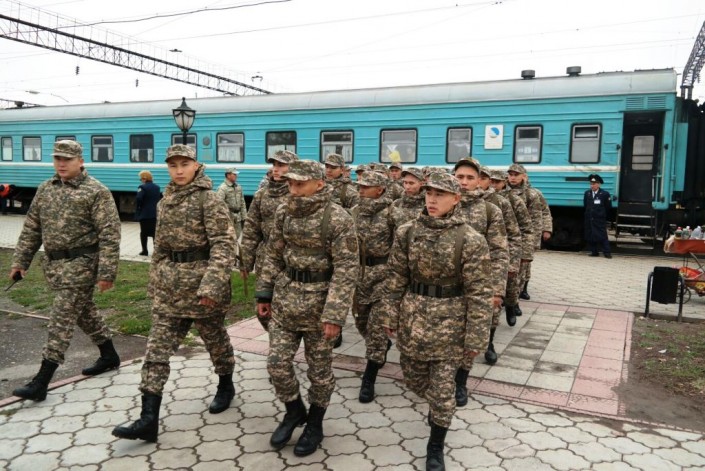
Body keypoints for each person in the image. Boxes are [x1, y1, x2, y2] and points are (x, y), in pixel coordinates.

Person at [113, 144, 237, 443]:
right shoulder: (165, 200)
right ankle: (148, 419)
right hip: (170, 288)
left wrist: (212, 285)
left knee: (215, 341)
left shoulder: (209, 200)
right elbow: (161, 247)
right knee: (156, 350)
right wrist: (155, 281)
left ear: (196, 165)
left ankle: (225, 384)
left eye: (184, 164)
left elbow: (224, 244)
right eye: (173, 165)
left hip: (202, 288)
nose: (179, 170)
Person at [381, 172, 491, 471]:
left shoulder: (470, 239)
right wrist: (390, 313)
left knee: (442, 393)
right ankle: (436, 407)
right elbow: (396, 276)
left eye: (440, 194)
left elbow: (480, 292)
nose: (432, 199)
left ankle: (435, 444)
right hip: (414, 318)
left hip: (451, 323)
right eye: (429, 193)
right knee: (415, 380)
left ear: (456, 199)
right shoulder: (407, 232)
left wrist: (476, 337)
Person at [255, 160, 358, 456]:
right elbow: (273, 254)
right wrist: (264, 293)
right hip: (286, 301)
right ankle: (294, 411)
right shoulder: (284, 212)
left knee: (319, 372)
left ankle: (315, 423)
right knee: (277, 363)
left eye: (300, 184)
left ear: (319, 183)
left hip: (320, 307)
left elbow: (346, 269)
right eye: (290, 183)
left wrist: (334, 315)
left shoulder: (338, 218)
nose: (293, 189)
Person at [10, 140, 122, 402]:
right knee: (84, 312)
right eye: (57, 159)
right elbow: (32, 228)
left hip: (83, 265)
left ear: (80, 161)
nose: (61, 164)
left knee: (61, 318)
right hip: (55, 266)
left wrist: (106, 273)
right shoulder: (46, 188)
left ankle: (41, 381)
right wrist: (20, 262)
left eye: (67, 159)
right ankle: (109, 355)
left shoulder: (96, 191)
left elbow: (110, 235)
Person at [452, 158, 508, 406]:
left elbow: (499, 252)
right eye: (459, 177)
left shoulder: (489, 211)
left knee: (469, 335)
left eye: (470, 178)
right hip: (443, 287)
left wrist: (496, 290)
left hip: (476, 286)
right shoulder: (439, 203)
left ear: (479, 181)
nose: (464, 182)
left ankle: (461, 381)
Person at [240, 150, 298, 330]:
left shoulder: (297, 194)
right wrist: (245, 262)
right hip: (265, 259)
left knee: (290, 308)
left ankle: (285, 340)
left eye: (281, 165)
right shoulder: (261, 195)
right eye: (274, 165)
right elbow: (251, 230)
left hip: (291, 259)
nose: (276, 169)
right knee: (263, 309)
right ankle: (277, 337)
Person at [351, 170, 395, 403]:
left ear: (380, 190)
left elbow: (400, 247)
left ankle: (369, 378)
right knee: (361, 323)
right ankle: (380, 347)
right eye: (360, 185)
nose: (361, 189)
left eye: (366, 186)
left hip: (383, 276)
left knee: (376, 329)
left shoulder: (391, 213)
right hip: (359, 276)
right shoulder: (354, 212)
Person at [478, 165, 521, 365]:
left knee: (493, 306)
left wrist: (513, 262)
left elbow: (513, 234)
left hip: (492, 263)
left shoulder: (499, 203)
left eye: (483, 178)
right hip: (464, 267)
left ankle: (489, 343)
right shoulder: (452, 201)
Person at [490, 170, 534, 327]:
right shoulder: (482, 200)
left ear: (504, 182)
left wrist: (523, 255)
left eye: (497, 182)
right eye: (491, 181)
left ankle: (511, 305)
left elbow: (525, 227)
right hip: (489, 248)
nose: (493, 185)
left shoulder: (512, 200)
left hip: (508, 246)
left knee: (511, 283)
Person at [584, 173, 612, 258]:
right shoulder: (587, 193)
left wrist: (601, 214)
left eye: (594, 184)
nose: (592, 186)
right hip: (590, 218)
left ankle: (607, 252)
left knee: (602, 235)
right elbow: (585, 205)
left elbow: (608, 207)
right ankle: (594, 252)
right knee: (591, 234)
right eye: (591, 184)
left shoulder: (604, 194)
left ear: (599, 184)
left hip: (599, 218)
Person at [135, 170, 161, 256]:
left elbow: (139, 198)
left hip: (145, 214)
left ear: (144, 178)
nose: (141, 181)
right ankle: (156, 251)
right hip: (155, 213)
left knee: (143, 233)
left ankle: (145, 251)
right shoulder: (157, 187)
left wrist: (139, 206)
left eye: (141, 179)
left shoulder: (142, 187)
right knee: (154, 233)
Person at [217, 167, 247, 239]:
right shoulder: (222, 188)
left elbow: (242, 202)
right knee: (228, 238)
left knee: (237, 235)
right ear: (228, 175)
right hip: (228, 218)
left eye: (236, 174)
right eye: (234, 174)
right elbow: (218, 205)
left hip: (238, 218)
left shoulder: (238, 187)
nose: (236, 176)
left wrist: (244, 217)